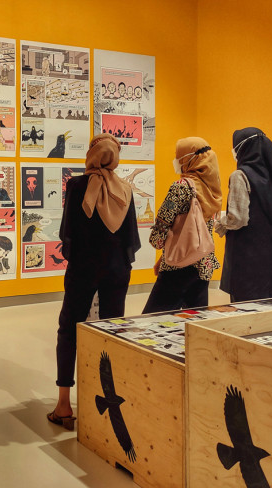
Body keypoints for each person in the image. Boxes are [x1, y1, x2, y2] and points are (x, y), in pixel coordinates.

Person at [48, 133, 140, 429]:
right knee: (112, 332)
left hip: (83, 269)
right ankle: (110, 400)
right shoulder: (124, 188)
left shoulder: (77, 185)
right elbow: (131, 237)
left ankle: (64, 404)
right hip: (117, 271)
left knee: (69, 329)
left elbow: (68, 234)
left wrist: (78, 258)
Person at [142, 137, 222, 313]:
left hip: (179, 265)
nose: (175, 161)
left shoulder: (181, 187)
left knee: (152, 319)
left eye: (178, 157)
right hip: (204, 263)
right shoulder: (212, 187)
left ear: (188, 159)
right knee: (195, 321)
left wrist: (156, 241)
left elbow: (164, 220)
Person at [215, 127, 272, 302]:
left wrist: (220, 223)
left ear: (242, 148)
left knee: (244, 302)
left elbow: (238, 219)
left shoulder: (240, 175)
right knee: (267, 301)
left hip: (247, 252)